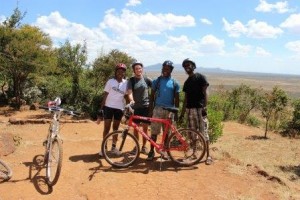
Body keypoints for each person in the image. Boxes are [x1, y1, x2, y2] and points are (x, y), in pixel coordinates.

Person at [179, 58, 213, 165]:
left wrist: (205, 107)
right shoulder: (187, 82)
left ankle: (208, 156)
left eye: (188, 65)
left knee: (204, 132)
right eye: (185, 66)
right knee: (192, 133)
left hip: (200, 109)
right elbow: (185, 99)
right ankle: (194, 153)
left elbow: (206, 91)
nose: (187, 67)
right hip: (189, 110)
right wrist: (182, 113)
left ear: (193, 66)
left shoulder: (200, 77)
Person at [147, 60, 180, 161]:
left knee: (167, 133)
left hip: (169, 110)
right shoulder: (157, 81)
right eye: (163, 68)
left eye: (167, 69)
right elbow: (152, 96)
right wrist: (150, 110)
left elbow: (177, 98)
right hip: (158, 109)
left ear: (171, 70)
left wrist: (176, 111)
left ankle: (164, 151)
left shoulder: (175, 82)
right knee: (154, 132)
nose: (165, 70)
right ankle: (151, 151)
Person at [96, 63, 129, 157]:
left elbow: (126, 97)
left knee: (115, 128)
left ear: (124, 73)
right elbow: (105, 94)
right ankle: (104, 147)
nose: (120, 72)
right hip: (108, 107)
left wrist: (127, 107)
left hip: (119, 108)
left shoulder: (126, 83)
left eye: (122, 71)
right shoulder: (110, 81)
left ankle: (114, 147)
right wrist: (101, 108)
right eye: (118, 71)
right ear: (116, 72)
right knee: (106, 128)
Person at [127, 62, 152, 155]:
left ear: (142, 69)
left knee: (145, 128)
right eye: (136, 68)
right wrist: (131, 100)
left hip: (146, 107)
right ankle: (136, 146)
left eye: (140, 68)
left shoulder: (147, 79)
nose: (138, 70)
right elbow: (129, 92)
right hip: (136, 107)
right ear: (134, 70)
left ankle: (144, 147)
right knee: (136, 128)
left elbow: (154, 89)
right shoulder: (132, 80)